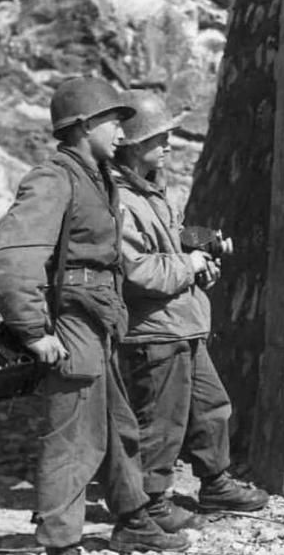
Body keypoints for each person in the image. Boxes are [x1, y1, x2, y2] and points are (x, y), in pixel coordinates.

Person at [0, 77, 191, 555]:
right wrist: (33, 332)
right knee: (73, 440)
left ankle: (133, 518)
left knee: (119, 428)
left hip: (100, 322)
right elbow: (11, 260)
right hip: (72, 324)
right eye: (112, 121)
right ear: (81, 127)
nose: (123, 132)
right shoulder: (54, 179)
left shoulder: (97, 177)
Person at [112, 90, 268, 532]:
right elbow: (136, 272)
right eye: (158, 137)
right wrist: (189, 265)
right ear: (131, 144)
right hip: (153, 331)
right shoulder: (120, 200)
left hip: (182, 323)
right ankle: (150, 503)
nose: (168, 144)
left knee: (209, 406)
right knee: (160, 422)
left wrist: (200, 258)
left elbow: (171, 240)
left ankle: (215, 482)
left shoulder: (151, 192)